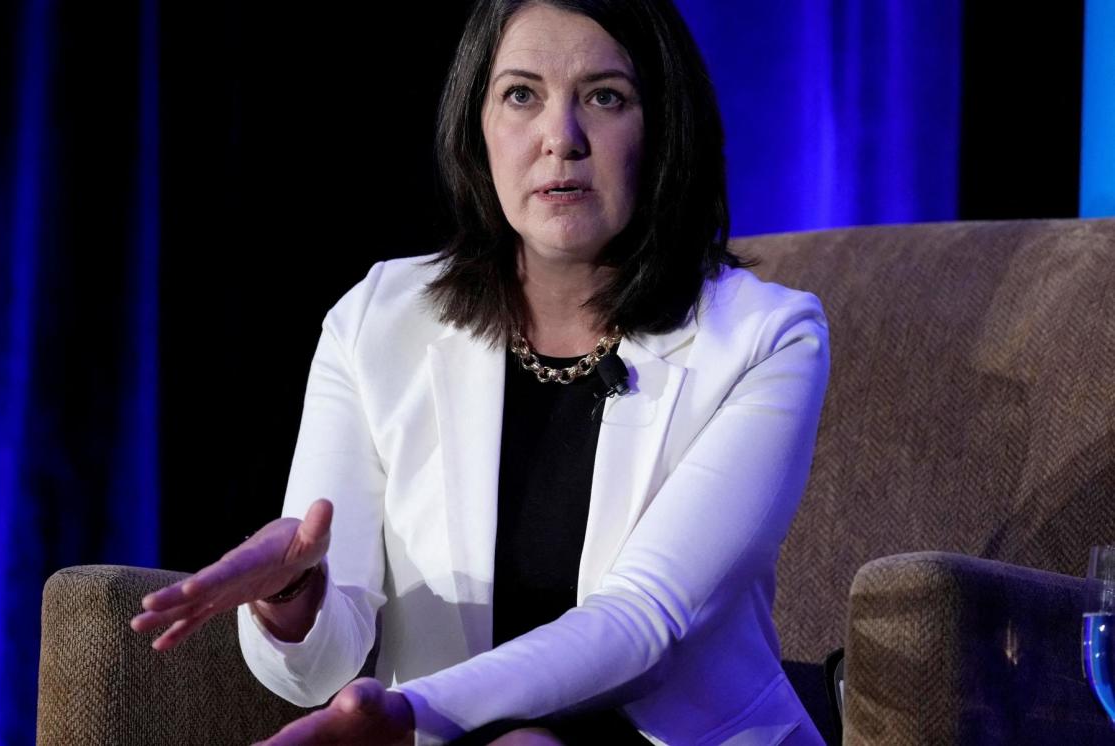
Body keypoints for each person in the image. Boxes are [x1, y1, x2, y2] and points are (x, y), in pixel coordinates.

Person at [131, 1, 830, 744]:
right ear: (478, 128)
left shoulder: (766, 339)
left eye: (605, 97)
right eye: (521, 95)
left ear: (662, 130)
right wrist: (292, 597)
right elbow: (319, 664)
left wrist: (407, 712)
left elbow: (643, 621)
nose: (560, 140)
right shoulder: (378, 321)